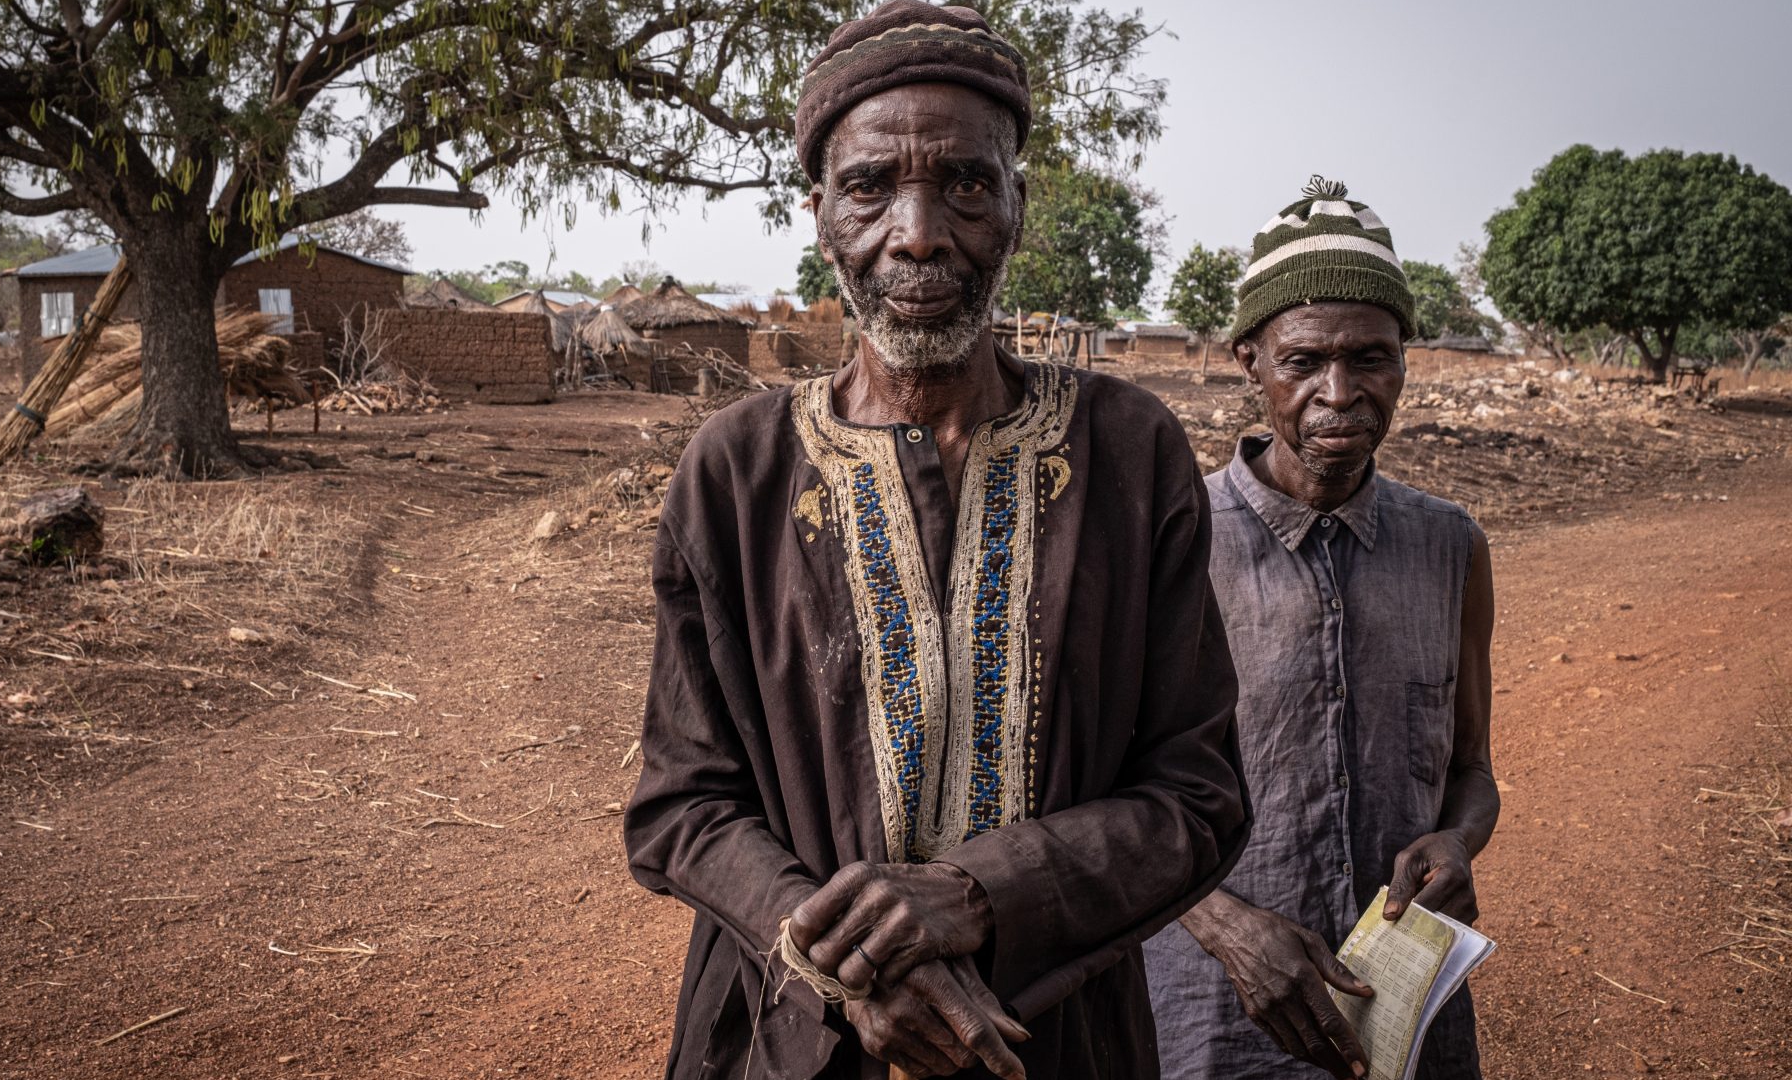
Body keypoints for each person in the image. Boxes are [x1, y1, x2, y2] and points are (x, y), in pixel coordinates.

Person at [623, 4, 1251, 1077]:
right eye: (871, 187)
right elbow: (683, 803)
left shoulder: (1131, 453)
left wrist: (979, 895)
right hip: (796, 1041)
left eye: (965, 183)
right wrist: (845, 969)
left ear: (1016, 204)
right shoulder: (737, 472)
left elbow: (1196, 798)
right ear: (821, 215)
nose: (917, 232)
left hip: (1055, 1042)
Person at [1142, 177, 1500, 1080]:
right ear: (1250, 362)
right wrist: (1227, 927)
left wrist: (1457, 840)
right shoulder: (1170, 542)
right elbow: (1100, 797)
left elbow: (1471, 770)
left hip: (1403, 1005)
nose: (1339, 393)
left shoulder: (1451, 546)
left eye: (1371, 358)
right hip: (1213, 1017)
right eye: (1302, 361)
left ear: (1405, 360)